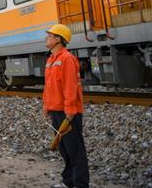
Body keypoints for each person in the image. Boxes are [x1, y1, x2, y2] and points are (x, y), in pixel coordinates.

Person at [43, 24, 89, 188]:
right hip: (56, 111)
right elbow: (49, 86)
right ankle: (69, 181)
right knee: (64, 150)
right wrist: (46, 106)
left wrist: (70, 112)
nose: (46, 38)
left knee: (75, 150)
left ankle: (80, 184)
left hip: (68, 113)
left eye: (49, 36)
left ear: (58, 39)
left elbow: (70, 87)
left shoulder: (67, 59)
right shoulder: (50, 60)